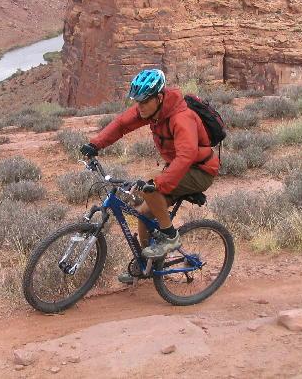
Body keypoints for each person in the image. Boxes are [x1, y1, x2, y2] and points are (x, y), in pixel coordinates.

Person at [80, 69, 219, 282]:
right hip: (178, 166)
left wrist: (158, 182)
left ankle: (170, 237)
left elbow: (186, 155)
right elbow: (121, 124)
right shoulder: (153, 111)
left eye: (143, 102)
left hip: (199, 170)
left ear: (159, 98)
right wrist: (95, 144)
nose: (139, 106)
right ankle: (146, 264)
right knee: (144, 213)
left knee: (150, 187)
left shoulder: (181, 118)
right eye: (137, 102)